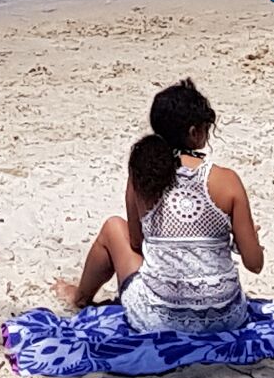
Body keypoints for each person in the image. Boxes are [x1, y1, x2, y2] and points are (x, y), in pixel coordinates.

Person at [69, 79, 262, 329]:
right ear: (195, 133)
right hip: (226, 318)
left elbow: (136, 243)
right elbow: (254, 264)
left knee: (113, 227)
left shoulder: (143, 174)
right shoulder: (227, 181)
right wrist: (246, 241)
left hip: (159, 319)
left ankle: (80, 298)